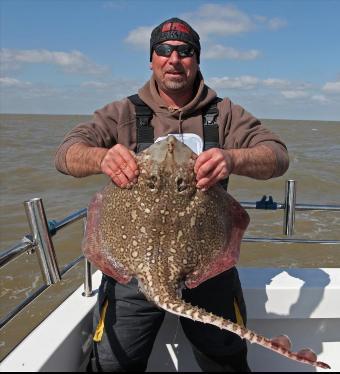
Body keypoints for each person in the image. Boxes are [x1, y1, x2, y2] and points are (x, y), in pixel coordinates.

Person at [55, 18, 289, 372]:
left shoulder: (224, 114)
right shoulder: (122, 113)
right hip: (134, 271)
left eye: (185, 51)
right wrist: (101, 157)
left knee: (225, 361)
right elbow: (66, 153)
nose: (174, 58)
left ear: (197, 59)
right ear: (152, 59)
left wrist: (232, 158)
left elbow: (277, 155)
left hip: (208, 266)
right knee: (113, 364)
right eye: (164, 50)